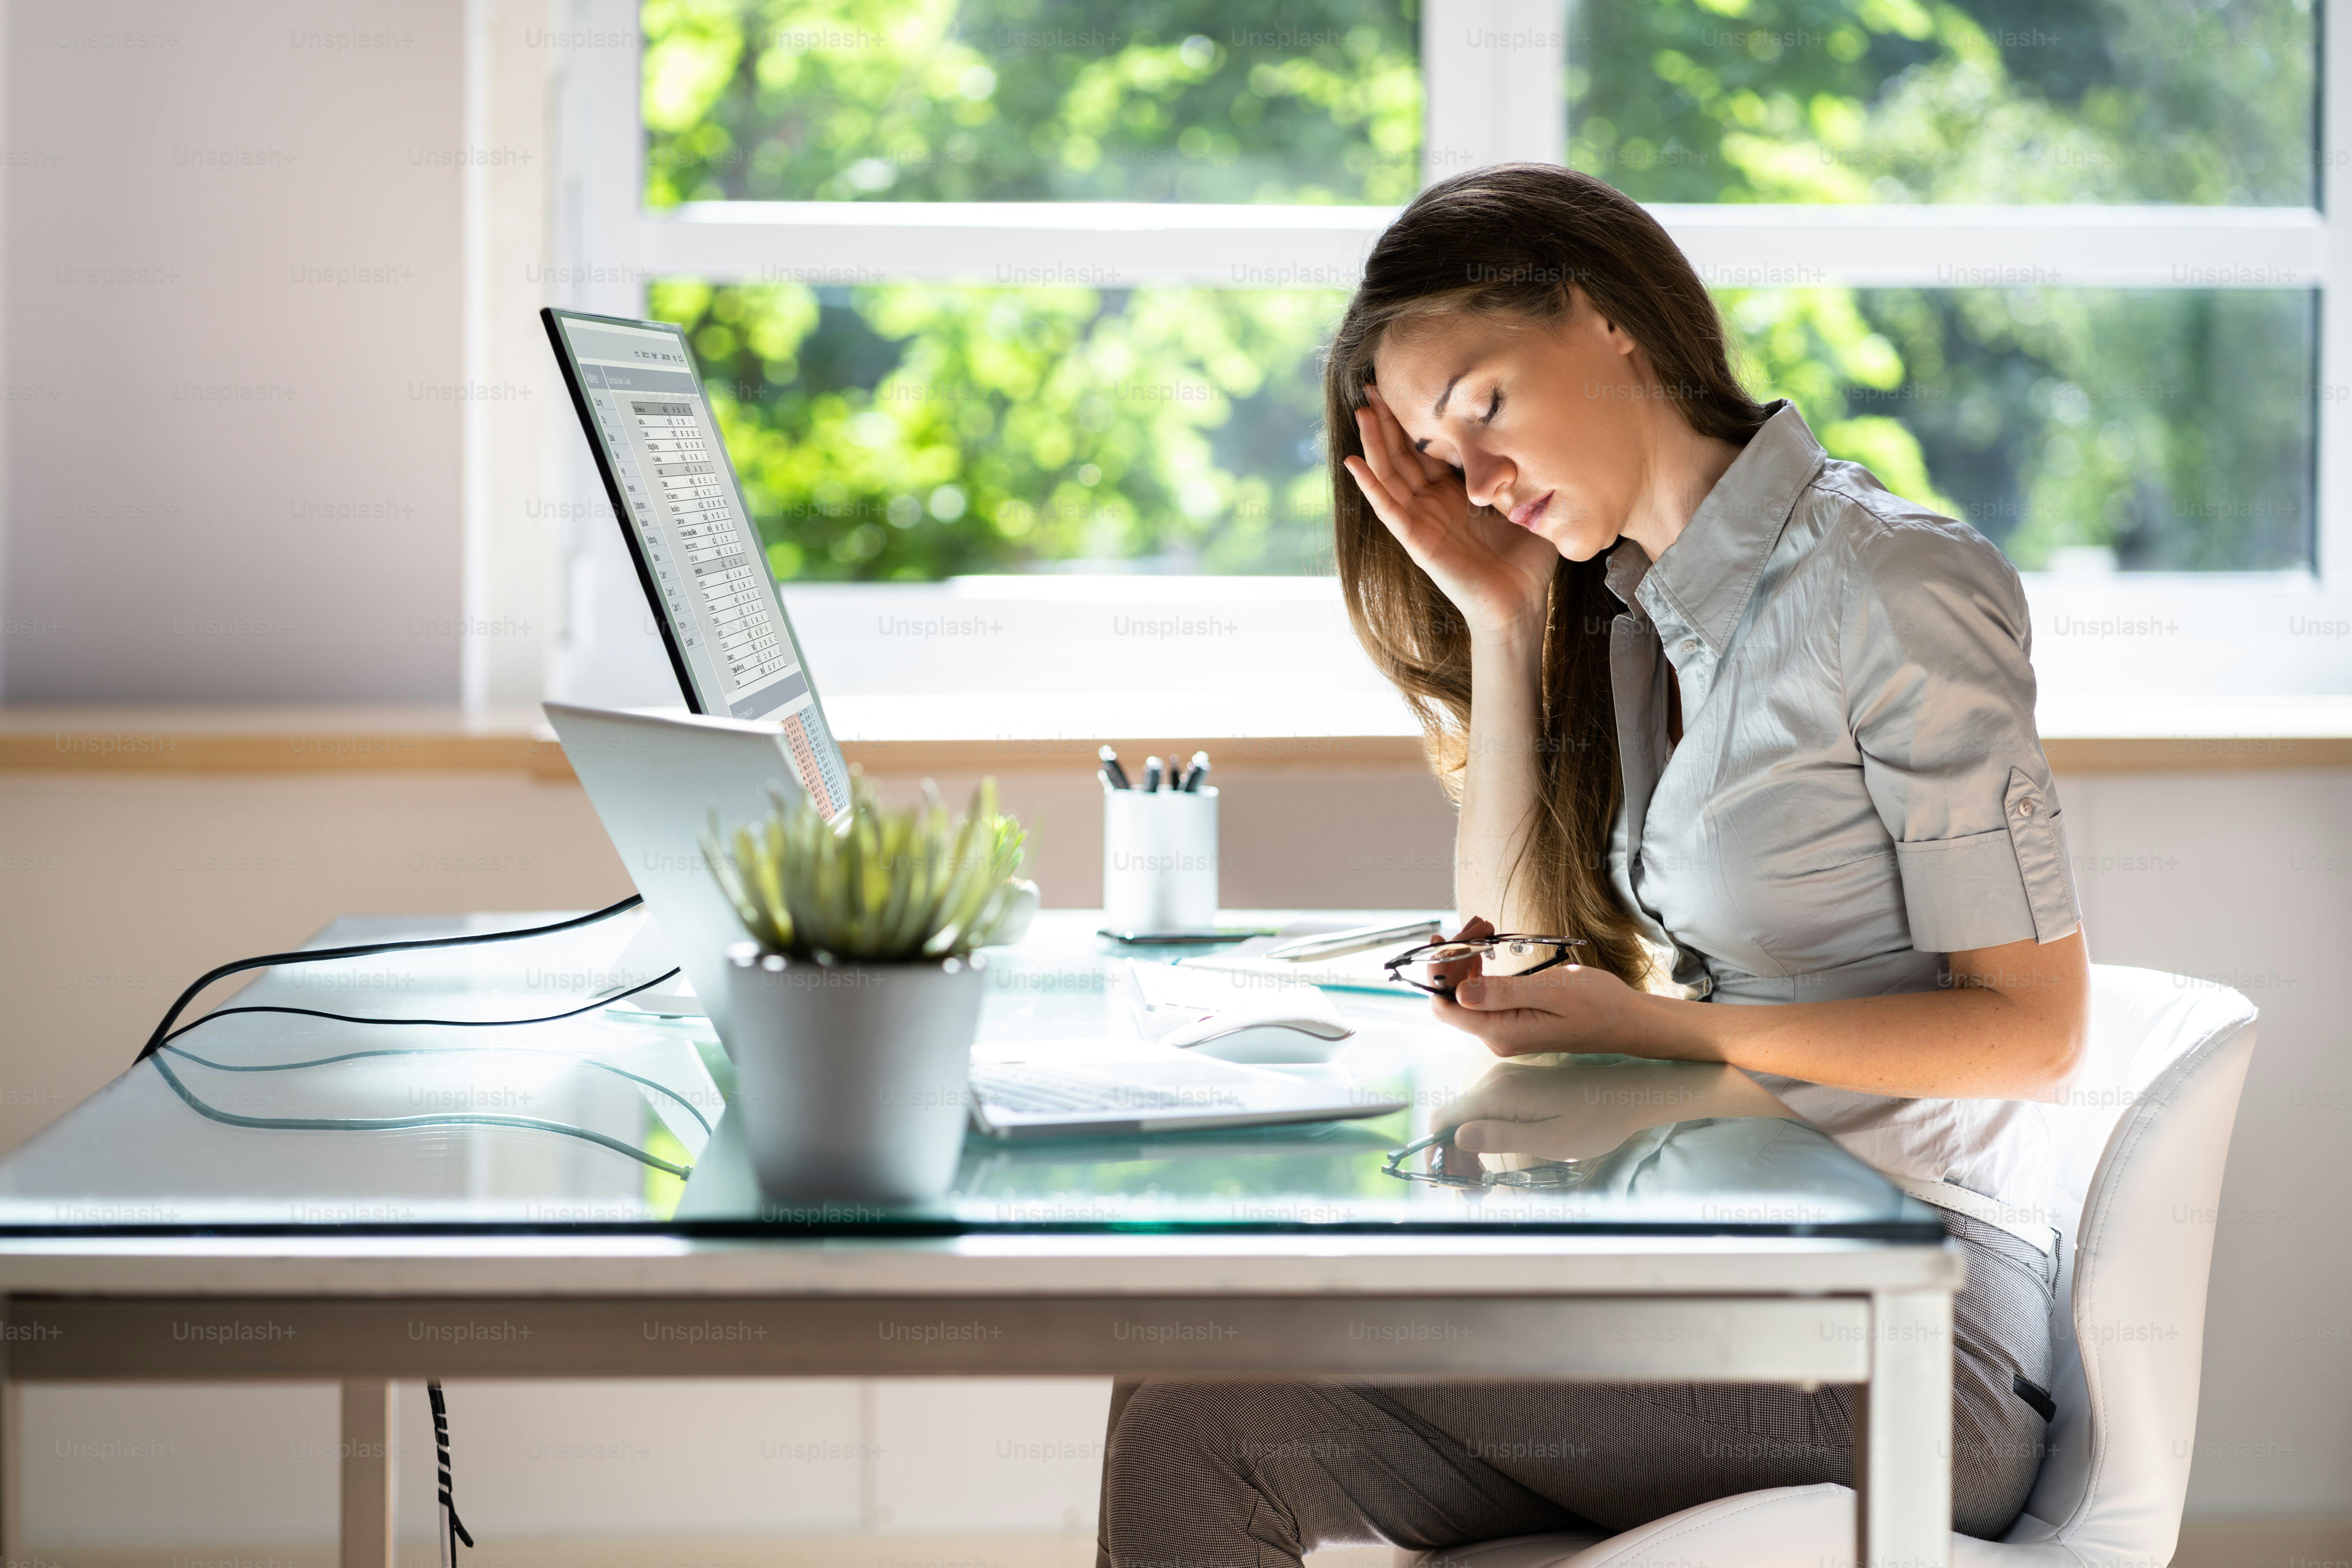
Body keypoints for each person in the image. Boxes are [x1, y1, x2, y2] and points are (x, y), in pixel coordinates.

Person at [1093, 163, 2085, 1566]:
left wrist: (1666, 1031)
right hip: (1742, 1268)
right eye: (1441, 455)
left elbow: (2034, 1037)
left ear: (1605, 316)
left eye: (1484, 405)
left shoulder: (1889, 586)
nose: (1477, 479)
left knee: (1204, 1406)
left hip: (1908, 1342)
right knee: (1194, 1393)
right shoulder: (1636, 615)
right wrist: (1500, 623)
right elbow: (1517, 942)